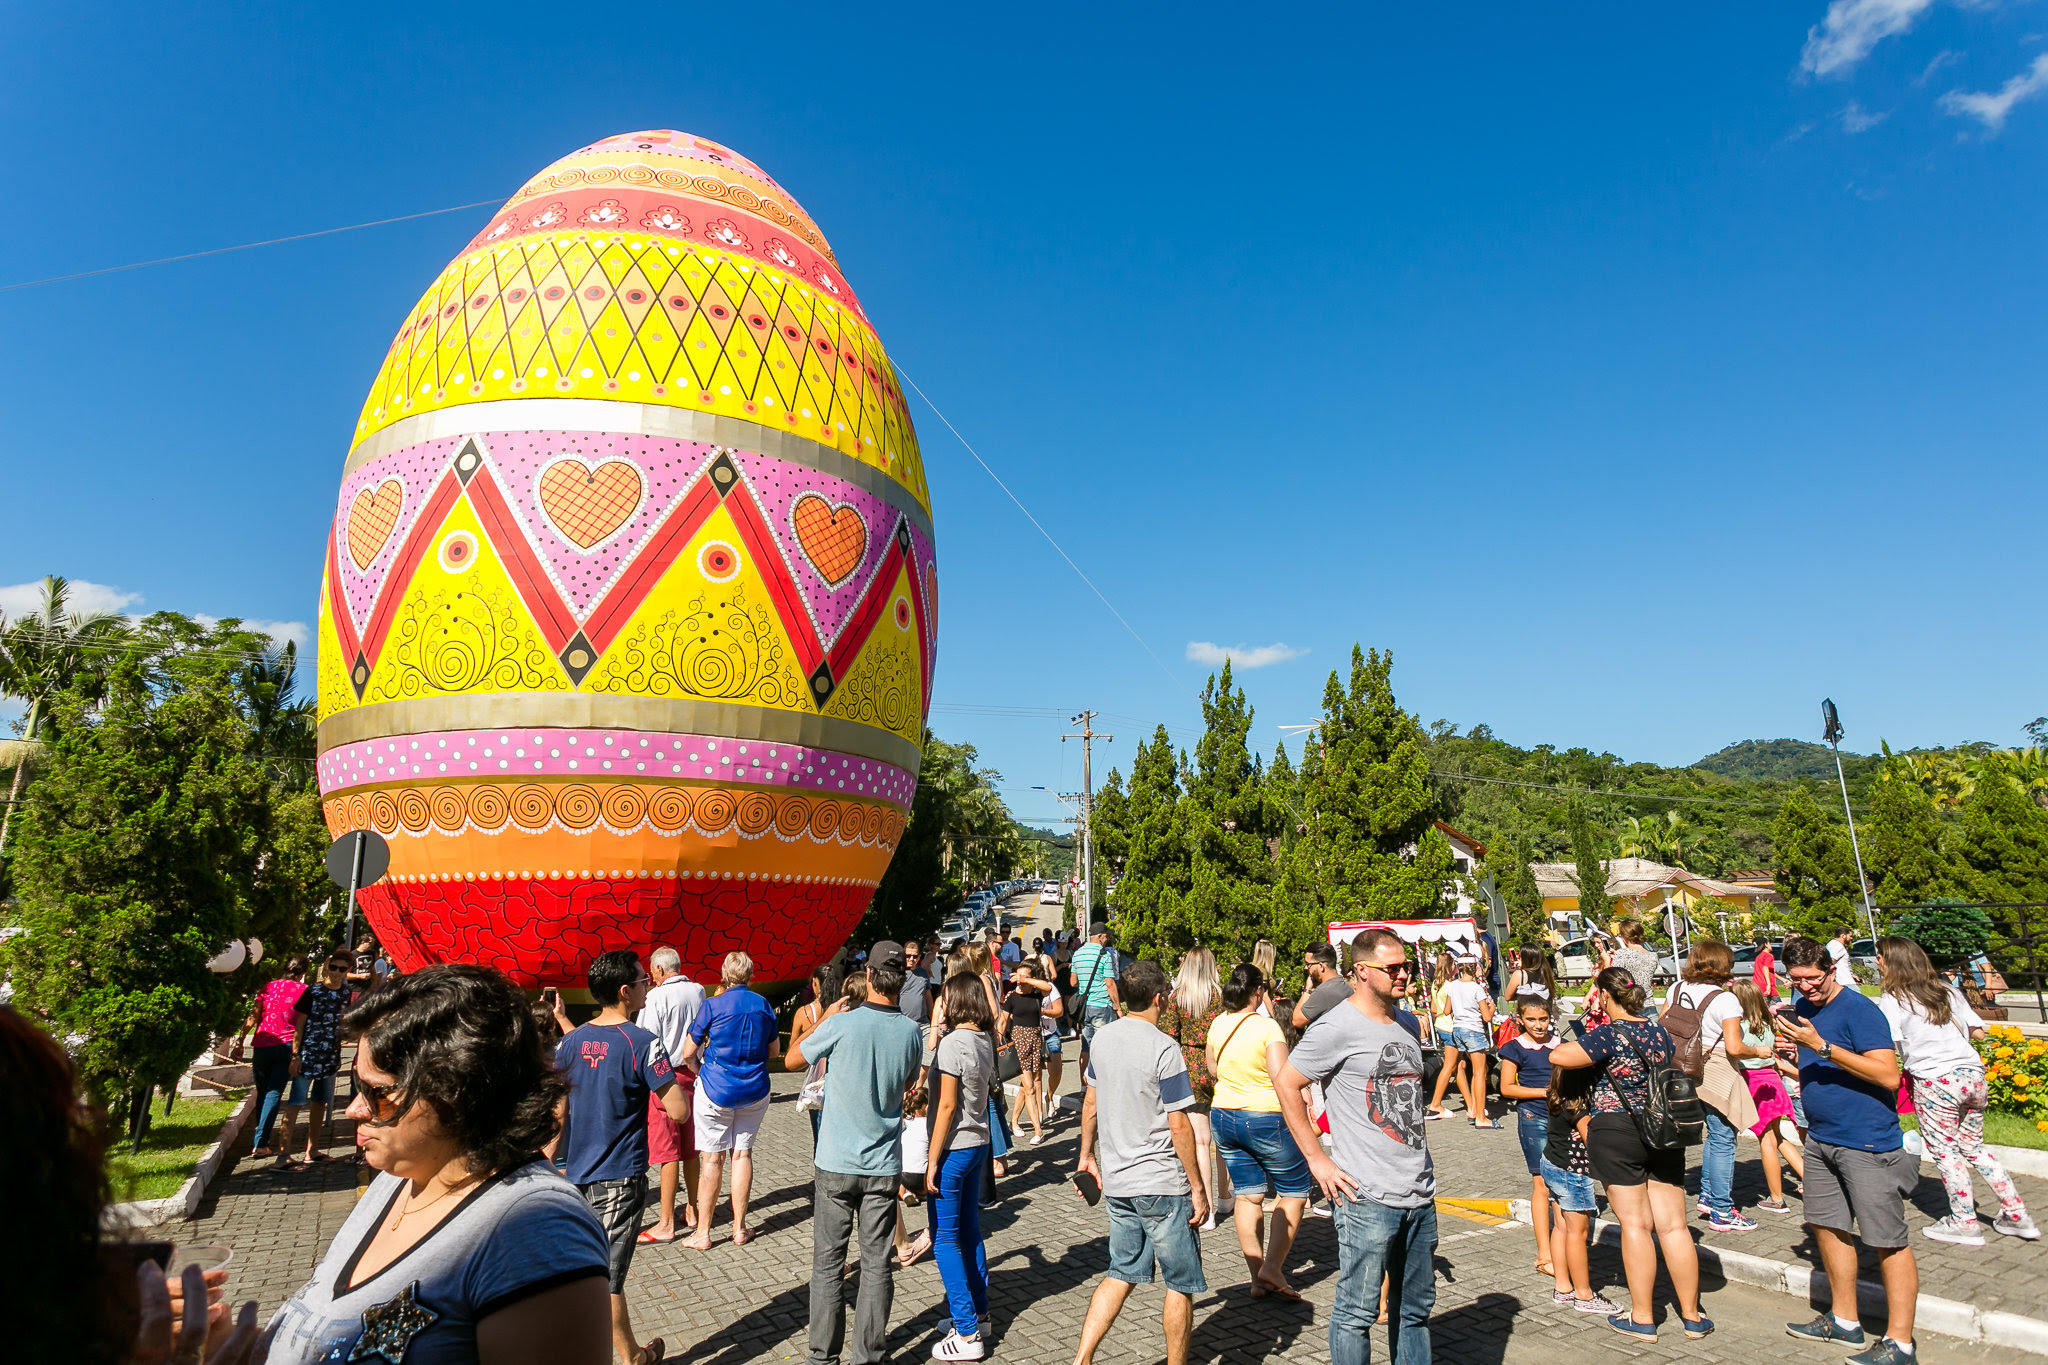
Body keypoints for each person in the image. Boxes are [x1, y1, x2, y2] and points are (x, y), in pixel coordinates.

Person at [268, 964, 614, 1365]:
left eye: (376, 1092)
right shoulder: (403, 1175)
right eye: (355, 1084)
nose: (354, 1109)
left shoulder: (534, 1230)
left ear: (455, 1091)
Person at [1274, 928, 1435, 1365]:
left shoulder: (1405, 1022)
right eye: (1393, 968)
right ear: (1362, 971)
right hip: (1365, 1195)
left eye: (1407, 966)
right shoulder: (1335, 1026)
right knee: (1357, 1313)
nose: (1404, 975)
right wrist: (1317, 1160)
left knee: (1415, 1312)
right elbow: (1288, 1083)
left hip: (1419, 1192)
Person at [1549, 967, 1712, 1343]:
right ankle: (1692, 1316)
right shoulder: (1658, 1031)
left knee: (1636, 1225)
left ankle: (1643, 1319)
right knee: (1674, 1225)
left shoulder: (1608, 1034)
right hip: (1663, 1128)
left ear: (1605, 996)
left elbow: (1560, 1056)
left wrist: (1591, 1017)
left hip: (1617, 1129)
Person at [1775, 935, 1918, 1362]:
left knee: (1886, 1240)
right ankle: (1844, 1321)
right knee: (1827, 1225)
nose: (1805, 987)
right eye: (1796, 980)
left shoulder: (1861, 1010)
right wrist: (1788, 1056)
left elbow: (1888, 1076)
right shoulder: (1803, 1009)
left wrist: (1821, 1046)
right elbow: (1819, 1068)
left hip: (1867, 1141)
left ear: (1831, 970)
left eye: (1813, 978)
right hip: (1821, 1138)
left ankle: (1900, 1342)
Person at [786, 942, 926, 1365]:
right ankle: (869, 1354)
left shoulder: (842, 1023)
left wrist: (824, 1020)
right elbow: (905, 1087)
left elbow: (793, 1059)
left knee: (828, 1264)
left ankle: (821, 1356)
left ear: (868, 976)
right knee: (877, 1263)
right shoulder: (910, 1033)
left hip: (834, 1161)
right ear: (902, 981)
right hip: (882, 1165)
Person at [550, 951, 689, 1365]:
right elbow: (678, 1110)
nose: (650, 985)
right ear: (625, 991)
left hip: (574, 1175)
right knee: (605, 1280)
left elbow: (558, 1111)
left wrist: (543, 1162)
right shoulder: (643, 1043)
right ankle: (624, 1359)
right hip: (621, 1177)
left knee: (592, 1273)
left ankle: (632, 1354)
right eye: (644, 980)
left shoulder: (569, 1042)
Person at [1072, 959, 1209, 1365]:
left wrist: (1085, 1156)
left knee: (1120, 1272)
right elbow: (1179, 1123)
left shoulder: (1103, 1040)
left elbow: (1091, 1103)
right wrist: (1198, 1186)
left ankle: (1082, 1359)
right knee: (1180, 1282)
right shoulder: (1164, 1047)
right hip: (1162, 1182)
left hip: (1117, 1182)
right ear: (1159, 998)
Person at [1875, 936, 2037, 1245]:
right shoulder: (1947, 990)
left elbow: (1890, 1042)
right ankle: (2016, 1215)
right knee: (1974, 1147)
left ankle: (1963, 1222)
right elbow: (1977, 1030)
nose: (1877, 962)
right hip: (1972, 1075)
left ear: (1893, 961)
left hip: (1936, 1080)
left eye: (1880, 957)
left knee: (1945, 1151)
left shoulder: (1895, 997)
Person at [1206, 963, 1310, 1299]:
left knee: (1248, 1194)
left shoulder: (1219, 1023)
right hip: (1265, 1117)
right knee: (1294, 1191)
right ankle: (1273, 1268)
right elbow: (1282, 1077)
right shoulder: (1268, 1028)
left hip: (1223, 1115)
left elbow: (1212, 1067)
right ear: (1258, 991)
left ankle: (1256, 1277)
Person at [681, 951, 780, 1248]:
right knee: (742, 1154)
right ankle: (739, 1228)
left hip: (715, 1088)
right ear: (751, 975)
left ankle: (703, 1233)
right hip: (754, 1089)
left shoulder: (712, 1005)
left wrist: (700, 1071)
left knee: (713, 1159)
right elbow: (774, 1052)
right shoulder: (763, 1005)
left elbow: (688, 1052)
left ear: (724, 974)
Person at [1663, 939, 1760, 1232]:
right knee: (1722, 1137)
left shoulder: (1676, 989)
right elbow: (1734, 1047)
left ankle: (1706, 1195)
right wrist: (1759, 1052)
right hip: (1713, 1068)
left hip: (1679, 1067)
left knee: (1708, 1134)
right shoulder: (1725, 999)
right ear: (1722, 965)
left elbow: (1662, 1026)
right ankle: (1721, 1207)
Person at [927, 972, 997, 1360]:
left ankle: (968, 1333)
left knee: (945, 1241)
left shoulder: (954, 1044)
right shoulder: (983, 1039)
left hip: (954, 1149)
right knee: (969, 1231)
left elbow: (947, 1106)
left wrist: (932, 1159)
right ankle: (978, 1312)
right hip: (978, 1144)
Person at [1541, 1055, 1623, 1317]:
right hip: (1573, 1172)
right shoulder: (1579, 1107)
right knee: (1578, 1233)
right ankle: (1584, 1294)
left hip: (1552, 1163)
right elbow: (1593, 1142)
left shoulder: (1556, 1095)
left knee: (1561, 1228)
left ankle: (1563, 1286)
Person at [636, 946, 706, 1242]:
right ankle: (692, 1208)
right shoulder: (699, 990)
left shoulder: (655, 996)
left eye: (652, 971)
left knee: (668, 1151)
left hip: (665, 1076)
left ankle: (665, 1222)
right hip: (695, 1072)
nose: (651, 977)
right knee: (692, 1146)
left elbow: (647, 1038)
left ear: (660, 970)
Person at [1159, 947, 1227, 1230]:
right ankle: (1225, 1196)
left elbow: (1167, 1035)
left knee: (1201, 1141)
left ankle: (1208, 1211)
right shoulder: (1221, 996)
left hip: (1190, 1067)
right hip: (1220, 1065)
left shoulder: (1178, 997)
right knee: (1222, 1138)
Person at [1729, 979, 1803, 1214]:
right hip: (1773, 1081)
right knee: (1778, 1137)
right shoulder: (1766, 1024)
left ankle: (1776, 1197)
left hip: (1754, 1083)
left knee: (1767, 1140)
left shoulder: (1737, 1027)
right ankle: (1812, 1183)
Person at [1497, 995, 1559, 1276]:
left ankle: (1562, 1248)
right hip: (1533, 1118)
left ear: (1550, 1017)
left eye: (1543, 1019)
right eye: (1531, 1019)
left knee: (1563, 1185)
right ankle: (1544, 1254)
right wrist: (1544, 1092)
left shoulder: (1561, 1046)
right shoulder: (1514, 1048)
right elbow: (1507, 1088)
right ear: (1520, 1019)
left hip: (1562, 1119)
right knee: (1542, 1185)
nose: (1538, 1025)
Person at [233, 953, 309, 1160]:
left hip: (261, 1045)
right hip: (286, 1046)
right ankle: (260, 1142)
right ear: (304, 972)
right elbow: (303, 1024)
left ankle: (261, 1138)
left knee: (263, 1091)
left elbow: (253, 1015)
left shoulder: (269, 986)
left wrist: (239, 1040)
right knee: (274, 1093)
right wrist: (297, 1053)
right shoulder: (305, 991)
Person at [281, 953, 352, 1168]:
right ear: (327, 967)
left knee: (320, 1103)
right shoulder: (312, 991)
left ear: (348, 971)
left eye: (343, 969)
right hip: (308, 1055)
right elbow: (299, 1025)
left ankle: (312, 1150)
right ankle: (283, 1155)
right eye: (335, 967)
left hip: (330, 1057)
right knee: (295, 1102)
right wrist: (295, 1055)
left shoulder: (345, 993)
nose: (338, 972)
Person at [1002, 960, 1054, 1145]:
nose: (1019, 982)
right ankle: (1038, 1131)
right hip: (1019, 1042)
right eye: (1018, 978)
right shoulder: (1011, 997)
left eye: (1023, 978)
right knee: (1030, 1087)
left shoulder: (1036, 994)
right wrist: (998, 1044)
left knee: (1026, 1086)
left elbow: (1047, 987)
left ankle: (1013, 1122)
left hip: (1035, 1041)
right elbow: (1002, 1022)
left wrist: (1027, 979)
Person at [1441, 959, 1496, 1127]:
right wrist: (1491, 1007)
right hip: (1473, 1030)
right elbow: (1487, 1017)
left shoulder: (1452, 985)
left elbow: (1446, 1010)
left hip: (1457, 1030)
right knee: (1480, 1073)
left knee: (1470, 1069)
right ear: (1475, 968)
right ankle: (1480, 1116)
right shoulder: (1476, 988)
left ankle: (1473, 1109)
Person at [789, 964, 838, 1148]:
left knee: (819, 1139)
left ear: (815, 984)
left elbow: (793, 1053)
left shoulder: (804, 1014)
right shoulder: (844, 1009)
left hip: (815, 1087)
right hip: (839, 1082)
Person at [1070, 922, 1123, 1059]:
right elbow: (1110, 984)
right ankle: (1101, 1079)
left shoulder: (1077, 953)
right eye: (1106, 937)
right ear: (1099, 937)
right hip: (1101, 1005)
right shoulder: (1104, 955)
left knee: (1086, 1046)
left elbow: (1073, 982)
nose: (1107, 940)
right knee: (1104, 1047)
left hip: (1085, 1007)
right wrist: (1118, 1007)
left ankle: (1084, 1080)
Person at [1292, 941, 1353, 1030]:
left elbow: (1297, 1021)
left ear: (1321, 966)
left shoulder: (1324, 992)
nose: (1306, 968)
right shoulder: (1346, 988)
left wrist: (1307, 989)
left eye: (1308, 964)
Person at [1610, 921, 1659, 1010]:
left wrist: (1609, 959)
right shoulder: (1653, 956)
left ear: (1624, 937)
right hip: (1649, 1004)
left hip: (1630, 1005)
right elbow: (1638, 964)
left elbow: (1613, 977)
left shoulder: (1622, 954)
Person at [900, 940, 933, 1026]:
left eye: (914, 956)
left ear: (919, 957)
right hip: (903, 1023)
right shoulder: (898, 974)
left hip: (923, 1023)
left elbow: (928, 997)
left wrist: (933, 1020)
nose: (911, 959)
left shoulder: (923, 973)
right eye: (908, 956)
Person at [1250, 940, 1278, 1017]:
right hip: (1264, 1010)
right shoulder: (1262, 971)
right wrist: (1275, 1016)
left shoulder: (1255, 968)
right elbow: (1264, 995)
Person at [1753, 934, 1778, 998]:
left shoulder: (1759, 956)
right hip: (1766, 986)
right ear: (1766, 944)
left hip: (1756, 985)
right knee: (1777, 1005)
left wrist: (1782, 979)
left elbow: (1770, 972)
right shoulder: (1768, 956)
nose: (1770, 945)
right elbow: (1765, 968)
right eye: (1769, 943)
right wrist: (1769, 985)